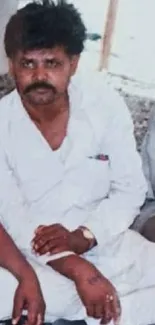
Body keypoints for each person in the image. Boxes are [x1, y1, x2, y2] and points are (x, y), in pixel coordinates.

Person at [1, 1, 155, 325]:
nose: (39, 75)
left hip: (104, 241)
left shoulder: (104, 105)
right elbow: (12, 216)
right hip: (31, 256)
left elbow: (129, 190)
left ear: (73, 63)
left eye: (52, 63)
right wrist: (78, 269)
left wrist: (85, 236)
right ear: (11, 65)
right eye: (27, 63)